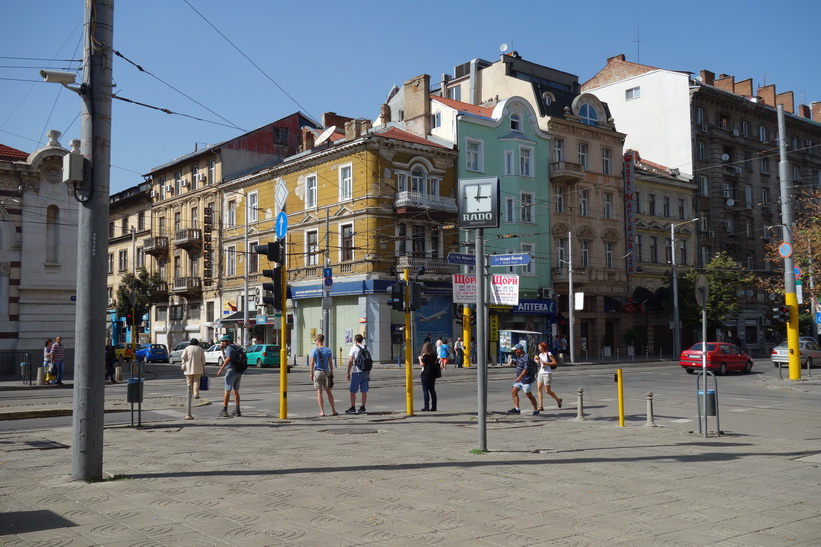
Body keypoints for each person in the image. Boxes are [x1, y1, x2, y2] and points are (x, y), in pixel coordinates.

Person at [310, 334, 337, 417]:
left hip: (317, 372)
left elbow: (312, 363)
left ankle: (322, 412)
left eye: (315, 340)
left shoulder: (314, 350)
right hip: (326, 372)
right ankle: (333, 410)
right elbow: (331, 362)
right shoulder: (328, 350)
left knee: (319, 392)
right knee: (329, 392)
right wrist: (332, 372)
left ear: (318, 340)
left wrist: (311, 373)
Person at [509, 343, 539, 415]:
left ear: (519, 350)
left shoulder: (526, 357)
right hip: (519, 379)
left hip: (526, 380)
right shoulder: (519, 356)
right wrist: (514, 363)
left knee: (529, 395)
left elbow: (526, 369)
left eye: (515, 350)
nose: (514, 352)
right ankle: (517, 409)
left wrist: (520, 377)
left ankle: (536, 410)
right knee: (514, 391)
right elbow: (519, 365)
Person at [216, 334, 242, 417]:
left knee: (227, 390)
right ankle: (237, 410)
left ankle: (225, 410)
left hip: (231, 371)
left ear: (227, 341)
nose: (222, 342)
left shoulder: (229, 347)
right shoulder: (236, 347)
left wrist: (221, 369)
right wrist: (222, 350)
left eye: (223, 341)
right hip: (239, 371)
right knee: (236, 391)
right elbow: (226, 357)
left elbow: (228, 358)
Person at [345, 333, 369, 414]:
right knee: (364, 391)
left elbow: (351, 361)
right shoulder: (367, 347)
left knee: (353, 391)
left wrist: (348, 372)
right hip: (366, 372)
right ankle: (363, 407)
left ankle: (353, 407)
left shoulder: (354, 348)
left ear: (355, 340)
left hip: (357, 371)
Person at [536, 341, 562, 411]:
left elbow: (555, 363)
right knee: (539, 389)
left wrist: (546, 363)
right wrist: (537, 361)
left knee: (547, 390)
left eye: (539, 346)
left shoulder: (549, 354)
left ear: (543, 347)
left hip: (547, 373)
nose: (538, 348)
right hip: (541, 372)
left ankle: (558, 400)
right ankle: (540, 406)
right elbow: (540, 364)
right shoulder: (540, 355)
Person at [418, 341, 440, 411]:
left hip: (425, 374)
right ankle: (434, 407)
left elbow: (422, 364)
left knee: (425, 390)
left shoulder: (425, 356)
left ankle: (426, 407)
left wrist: (419, 359)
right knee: (432, 390)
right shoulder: (434, 355)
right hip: (433, 374)